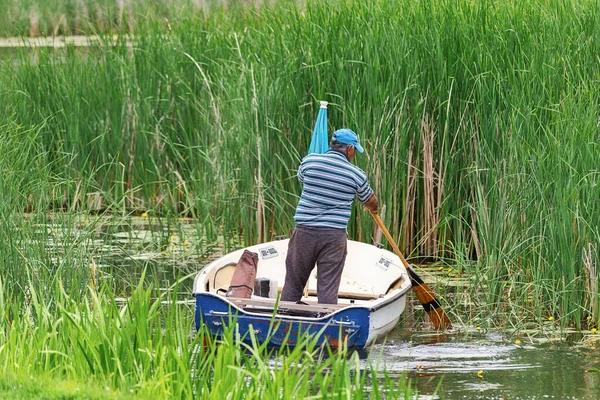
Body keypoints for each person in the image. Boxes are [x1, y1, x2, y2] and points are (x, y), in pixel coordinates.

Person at [281, 128, 379, 304]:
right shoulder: (356, 174)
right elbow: (371, 201)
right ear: (349, 149)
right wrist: (373, 208)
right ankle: (326, 326)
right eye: (354, 150)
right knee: (328, 289)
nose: (354, 154)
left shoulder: (309, 161)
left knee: (293, 284)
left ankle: (284, 322)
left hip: (304, 232)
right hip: (333, 237)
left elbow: (302, 178)